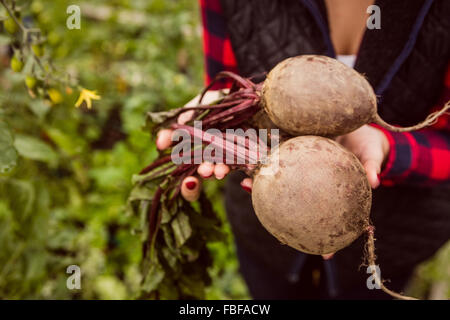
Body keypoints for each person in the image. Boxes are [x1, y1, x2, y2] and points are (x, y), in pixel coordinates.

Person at [157, 0, 450, 299]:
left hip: (398, 235)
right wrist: (217, 116)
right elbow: (228, 87)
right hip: (265, 240)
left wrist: (388, 146)